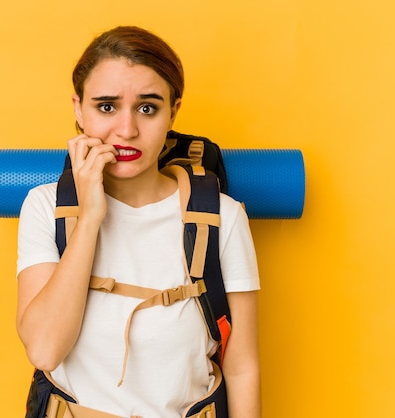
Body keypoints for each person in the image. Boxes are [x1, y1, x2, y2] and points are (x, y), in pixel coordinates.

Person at [16, 26, 261, 418]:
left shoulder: (223, 216)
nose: (127, 130)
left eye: (147, 107)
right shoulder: (45, 206)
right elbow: (44, 350)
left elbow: (243, 367)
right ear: (79, 109)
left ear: (173, 112)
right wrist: (91, 217)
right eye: (106, 106)